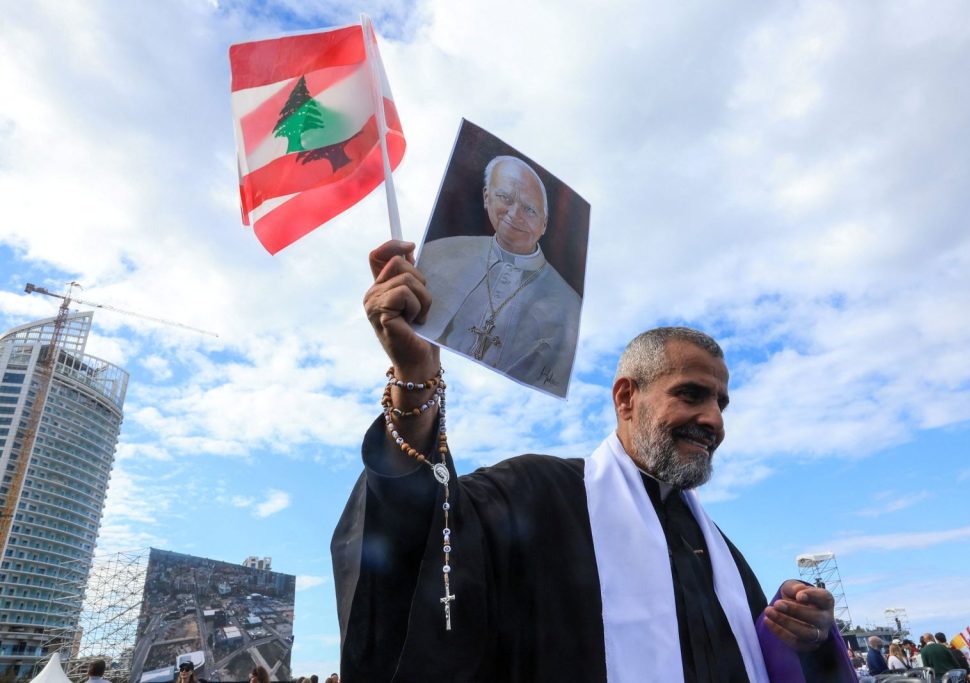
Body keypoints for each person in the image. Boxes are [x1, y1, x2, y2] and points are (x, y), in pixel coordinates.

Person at [333, 240, 858, 682]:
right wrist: (415, 380)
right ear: (626, 398)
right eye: (692, 395)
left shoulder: (720, 554)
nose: (714, 419)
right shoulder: (536, 496)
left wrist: (800, 634)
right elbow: (424, 536)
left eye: (721, 403)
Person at [413, 156, 582, 396]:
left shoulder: (569, 307)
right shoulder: (438, 253)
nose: (515, 214)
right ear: (486, 197)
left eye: (529, 209)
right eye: (505, 198)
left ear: (544, 224)